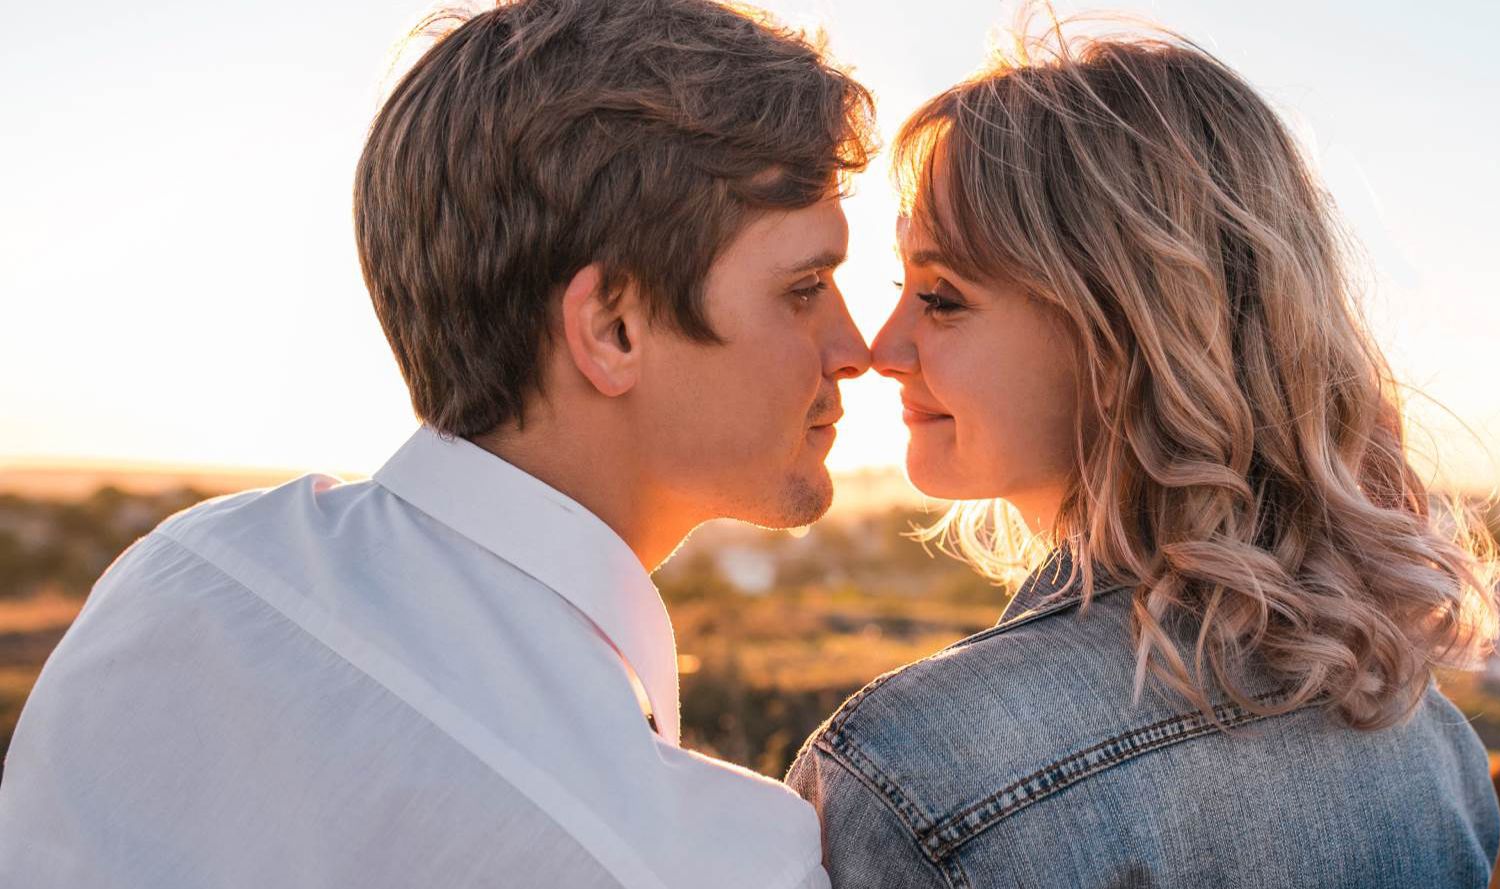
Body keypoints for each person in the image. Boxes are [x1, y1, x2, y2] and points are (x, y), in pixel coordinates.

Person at [0, 1, 873, 886]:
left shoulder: (185, 571)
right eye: (805, 287)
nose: (858, 349)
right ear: (611, 330)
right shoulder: (694, 859)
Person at [786, 23, 1500, 889]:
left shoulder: (914, 779)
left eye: (942, 297)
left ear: (1127, 337)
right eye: (898, 286)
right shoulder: (1424, 736)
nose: (884, 346)